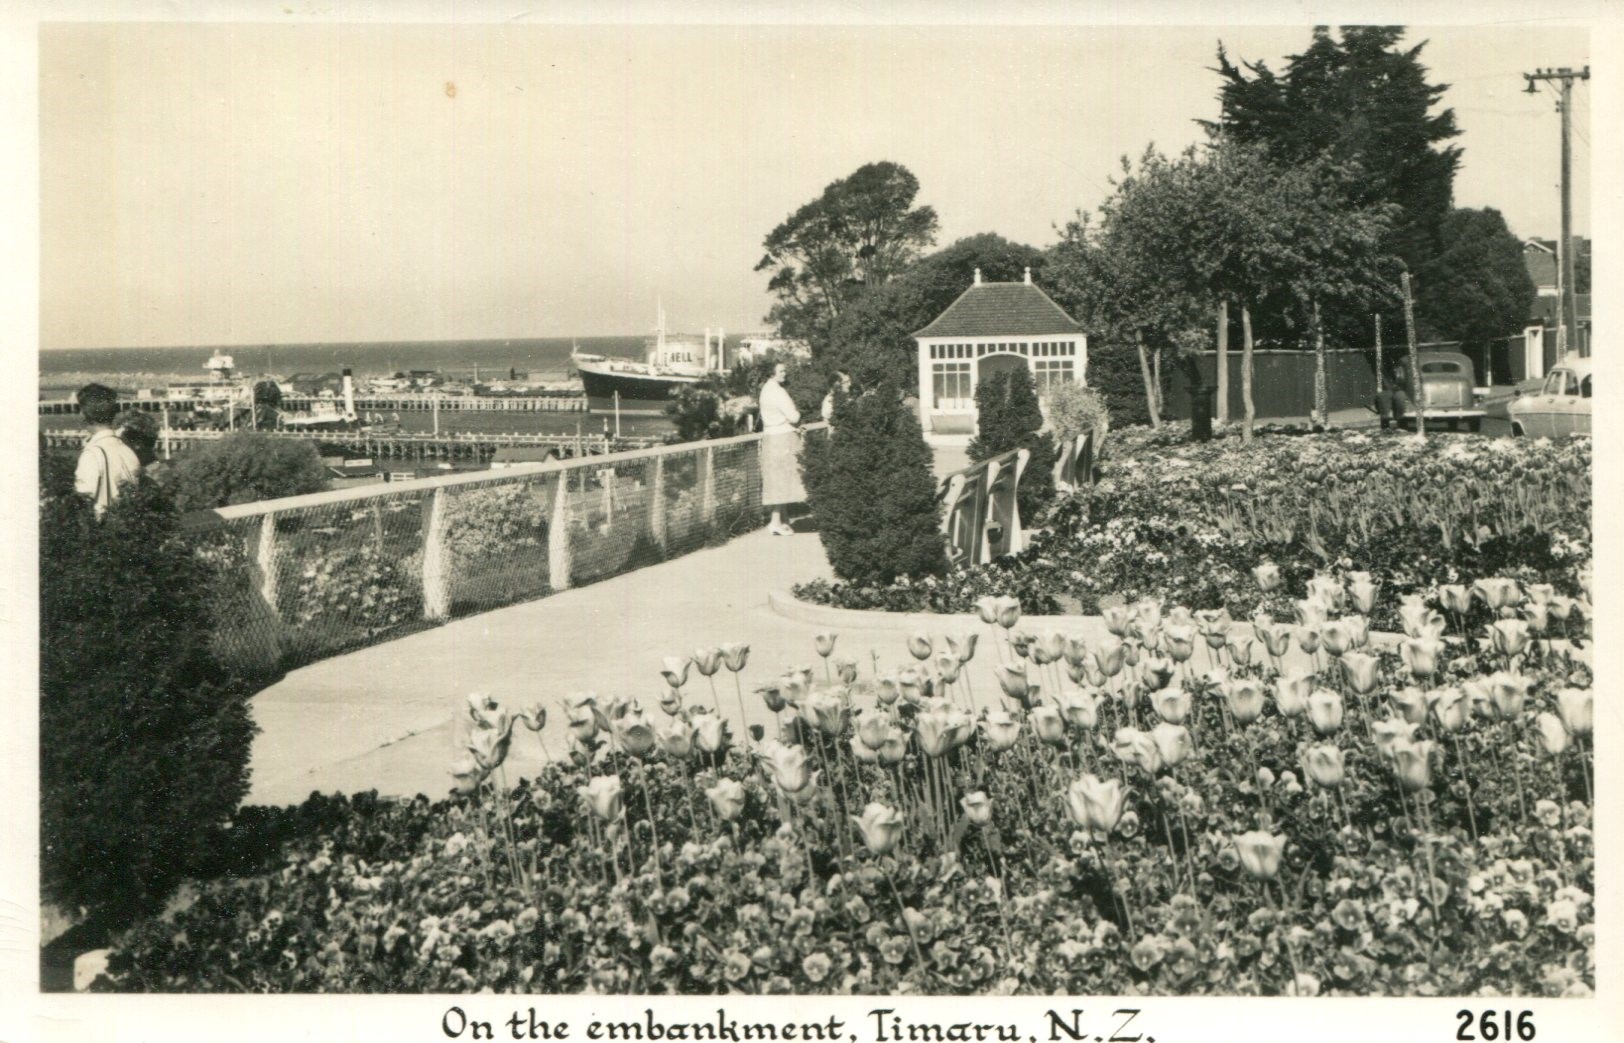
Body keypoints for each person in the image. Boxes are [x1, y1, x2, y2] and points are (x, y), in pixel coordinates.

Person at [74, 383, 142, 515]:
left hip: (103, 524)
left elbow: (83, 503)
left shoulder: (92, 454)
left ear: (83, 414)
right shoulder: (127, 450)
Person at [758, 361, 803, 535]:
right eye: (781, 371)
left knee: (777, 479)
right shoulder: (778, 392)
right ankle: (775, 522)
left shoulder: (765, 390)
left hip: (771, 437)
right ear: (772, 373)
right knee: (782, 479)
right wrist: (798, 413)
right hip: (783, 438)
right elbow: (794, 417)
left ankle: (783, 519)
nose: (784, 373)